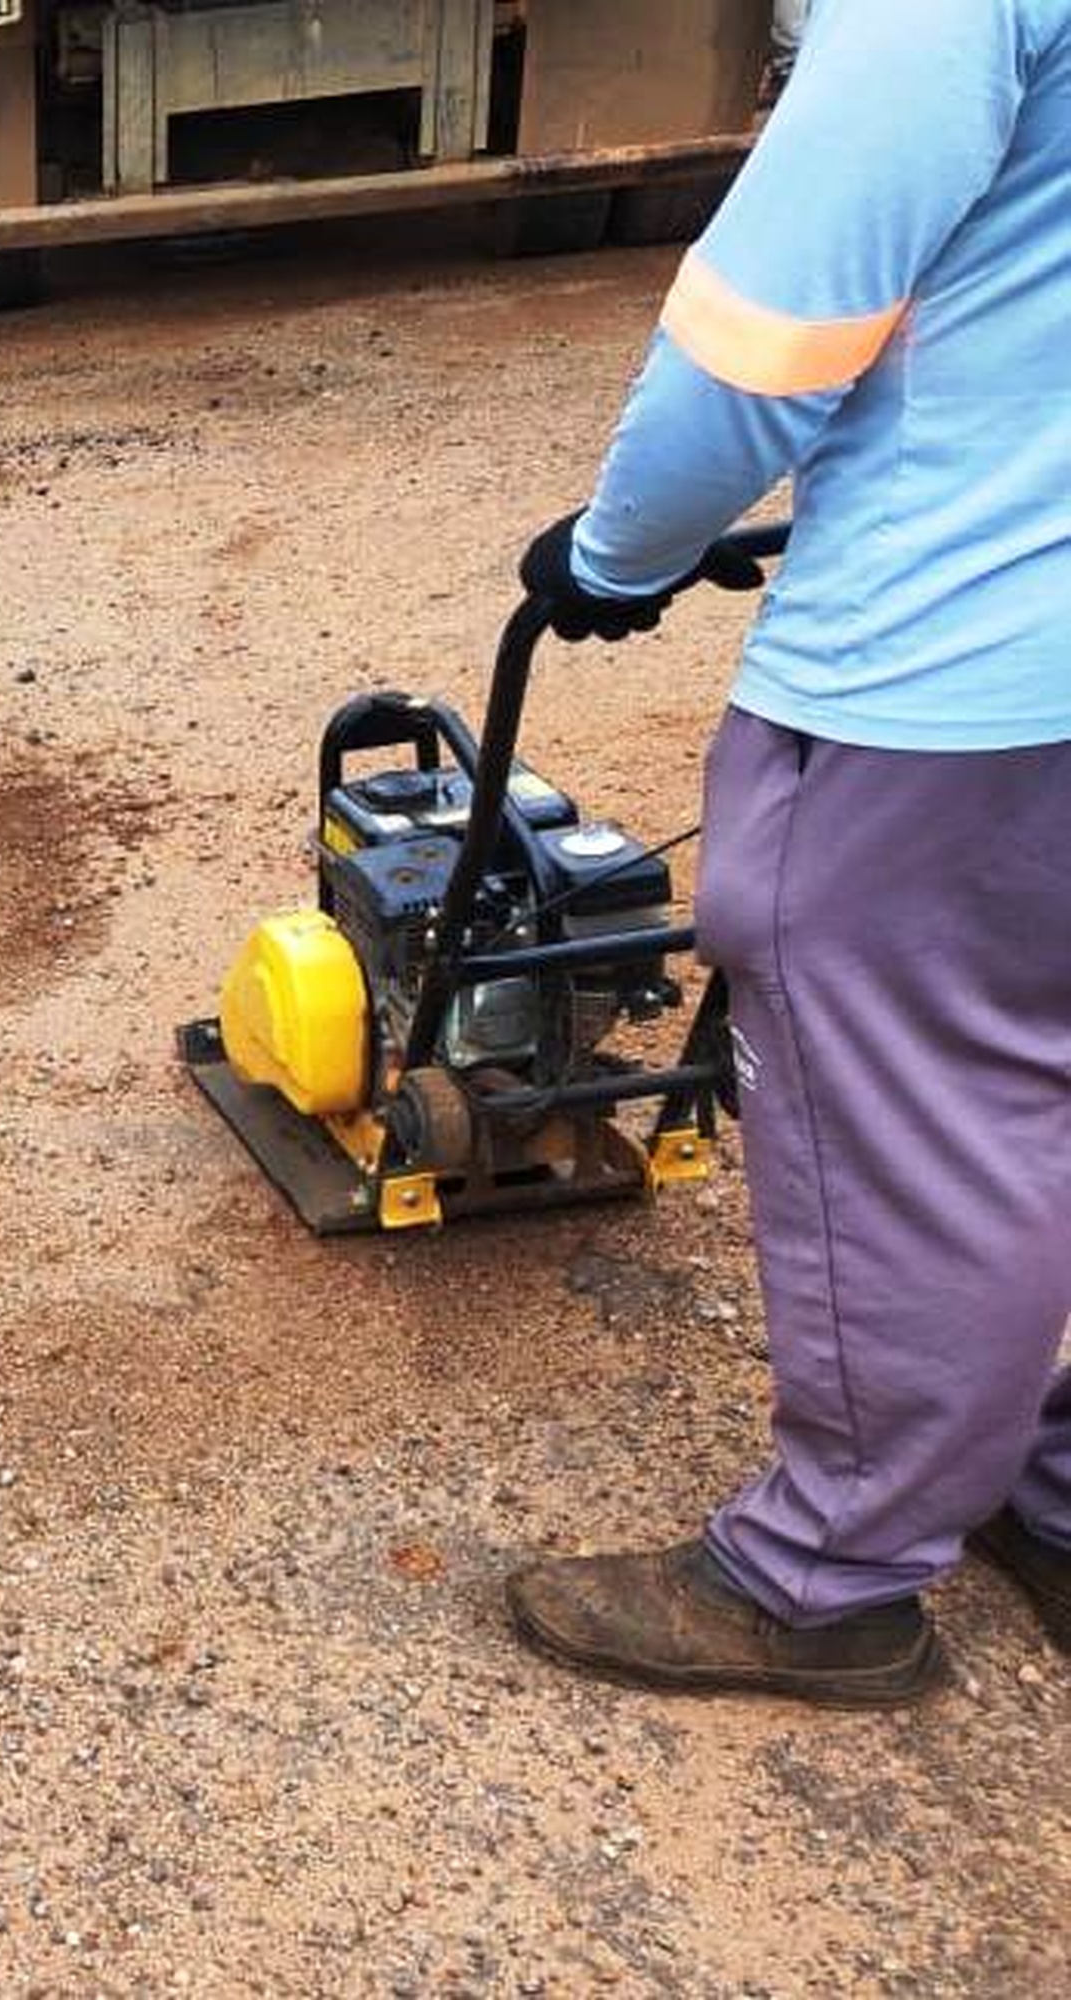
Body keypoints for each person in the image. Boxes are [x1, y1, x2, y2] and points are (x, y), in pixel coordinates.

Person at [505, 0, 1071, 1706]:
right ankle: (1046, 1486)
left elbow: (759, 346)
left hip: (962, 675)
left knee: (913, 1094)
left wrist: (617, 555)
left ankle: (826, 1579)